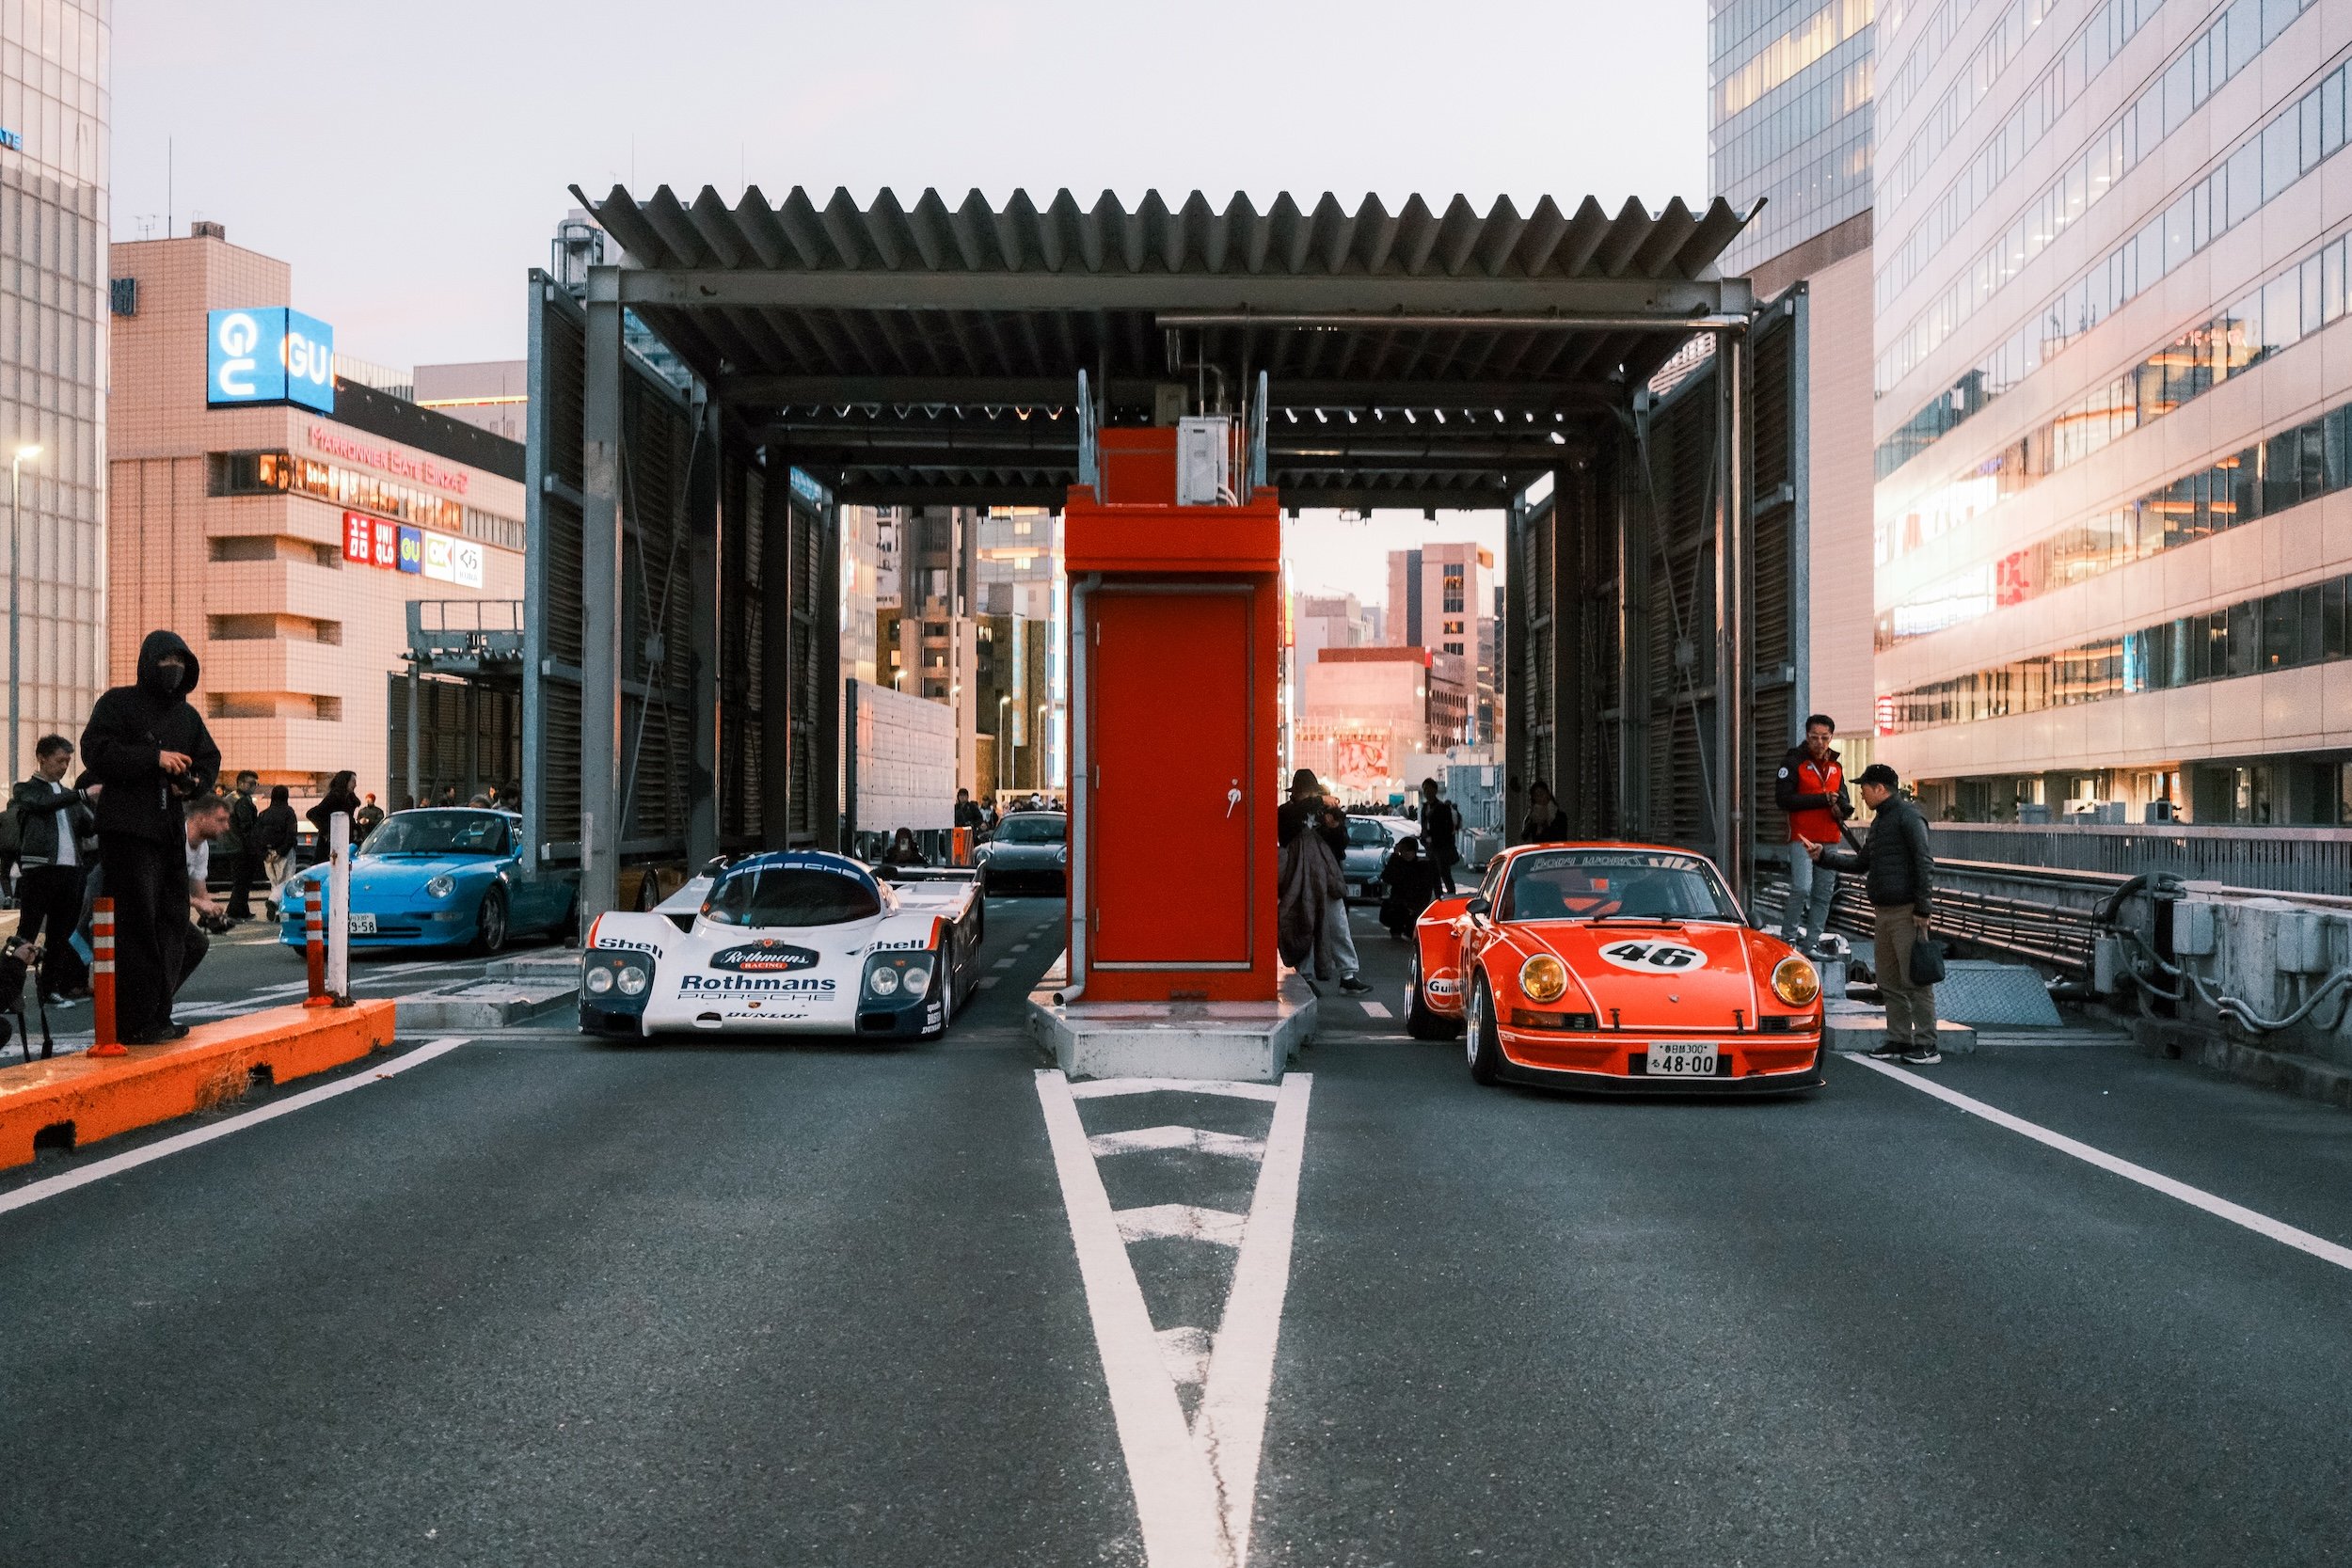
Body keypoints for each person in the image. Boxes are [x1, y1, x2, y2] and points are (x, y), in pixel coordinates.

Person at [79, 629, 220, 1045]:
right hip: (127, 830)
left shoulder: (187, 715)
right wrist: (152, 758)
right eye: (164, 662)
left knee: (173, 920)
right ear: (146, 663)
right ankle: (135, 1020)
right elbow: (95, 752)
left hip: (166, 828)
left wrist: (192, 784)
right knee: (135, 923)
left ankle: (157, 1013)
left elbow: (209, 758)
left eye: (179, 662)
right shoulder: (117, 703)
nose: (172, 670)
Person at [1807, 763, 1939, 1066]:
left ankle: (1927, 1044)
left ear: (1880, 788)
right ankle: (1900, 1039)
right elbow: (1862, 863)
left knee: (1915, 980)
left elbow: (1924, 863)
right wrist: (1823, 857)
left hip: (1907, 911)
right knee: (1890, 981)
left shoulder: (1908, 817)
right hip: (1885, 910)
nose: (1861, 794)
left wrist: (1923, 908)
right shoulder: (1882, 821)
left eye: (1865, 787)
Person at [12, 736, 95, 1003]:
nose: (64, 766)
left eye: (67, 761)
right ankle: (9, 989)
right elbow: (40, 804)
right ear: (42, 758)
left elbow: (89, 824)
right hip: (40, 869)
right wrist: (82, 794)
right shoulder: (25, 789)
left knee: (61, 933)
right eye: (60, 760)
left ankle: (50, 989)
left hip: (70, 869)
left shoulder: (68, 796)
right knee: (27, 931)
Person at [1775, 714, 1852, 954]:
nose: (1820, 743)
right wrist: (1822, 799)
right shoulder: (1793, 763)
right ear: (1806, 736)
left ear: (1831, 738)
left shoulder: (1836, 766)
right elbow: (1783, 799)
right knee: (1802, 887)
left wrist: (1843, 807)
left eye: (1825, 738)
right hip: (1802, 836)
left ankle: (1812, 943)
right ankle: (1788, 938)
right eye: (1814, 737)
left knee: (1824, 893)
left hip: (1830, 837)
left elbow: (1846, 801)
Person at [178, 793, 233, 991]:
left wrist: (213, 912)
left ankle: (162, 1000)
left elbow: (200, 889)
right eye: (220, 820)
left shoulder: (202, 847)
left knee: (197, 945)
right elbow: (161, 886)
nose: (226, 827)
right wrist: (199, 903)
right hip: (148, 905)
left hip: (170, 909)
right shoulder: (176, 839)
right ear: (200, 817)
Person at [1378, 833, 1440, 941]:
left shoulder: (1423, 866)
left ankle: (1409, 929)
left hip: (1417, 902)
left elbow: (1430, 886)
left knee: (1412, 929)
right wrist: (1395, 857)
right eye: (1403, 851)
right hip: (1399, 901)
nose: (1406, 854)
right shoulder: (1397, 863)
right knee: (1396, 909)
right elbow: (1387, 877)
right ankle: (1397, 930)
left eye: (1409, 851)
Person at [223, 770, 262, 920]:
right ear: (240, 783)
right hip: (242, 847)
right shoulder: (242, 801)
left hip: (230, 844)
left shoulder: (230, 798)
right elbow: (247, 827)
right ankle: (233, 912)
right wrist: (253, 847)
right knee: (243, 881)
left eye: (256, 784)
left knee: (240, 880)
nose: (254, 787)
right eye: (251, 783)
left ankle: (243, 910)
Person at [258, 784, 299, 917]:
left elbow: (256, 835)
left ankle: (276, 910)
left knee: (274, 882)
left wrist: (265, 853)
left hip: (268, 854)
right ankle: (273, 902)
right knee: (285, 881)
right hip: (284, 853)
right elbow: (291, 834)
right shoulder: (289, 812)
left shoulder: (264, 813)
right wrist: (280, 851)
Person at [1418, 777, 1460, 895]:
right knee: (1433, 874)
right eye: (1425, 789)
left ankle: (1451, 896)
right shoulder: (1424, 807)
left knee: (1444, 872)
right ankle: (1438, 898)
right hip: (1430, 846)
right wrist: (1424, 838)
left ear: (1435, 790)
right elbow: (1424, 825)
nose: (1427, 792)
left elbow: (1448, 828)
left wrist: (1435, 838)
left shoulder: (1442, 807)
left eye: (1429, 789)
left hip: (1441, 846)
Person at [308, 770, 361, 850]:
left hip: (344, 840)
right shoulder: (333, 798)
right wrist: (327, 831)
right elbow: (311, 814)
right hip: (331, 844)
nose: (355, 785)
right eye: (353, 782)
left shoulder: (349, 800)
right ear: (345, 782)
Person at [1518, 781, 1571, 845]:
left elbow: (1561, 838)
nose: (1540, 797)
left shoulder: (1560, 816)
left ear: (1548, 794)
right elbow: (1524, 838)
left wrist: (1545, 824)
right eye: (1536, 795)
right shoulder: (1530, 819)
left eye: (1542, 793)